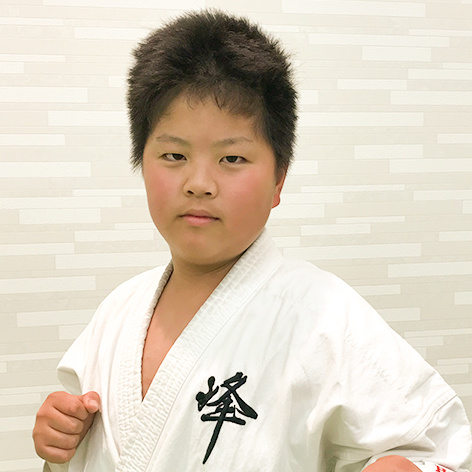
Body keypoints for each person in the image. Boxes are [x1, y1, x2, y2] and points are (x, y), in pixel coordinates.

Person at [32, 9, 472, 472]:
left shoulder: (324, 317)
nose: (199, 183)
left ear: (278, 180)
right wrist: (60, 440)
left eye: (233, 159)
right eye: (174, 155)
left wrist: (403, 466)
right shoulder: (117, 312)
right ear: (142, 162)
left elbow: (437, 446)